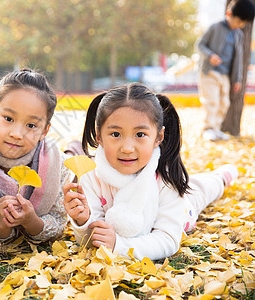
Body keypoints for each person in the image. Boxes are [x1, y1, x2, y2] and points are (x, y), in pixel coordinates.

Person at [63, 83, 238, 261]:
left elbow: (167, 240)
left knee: (201, 190)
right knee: (195, 185)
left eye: (140, 135)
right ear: (99, 136)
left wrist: (120, 246)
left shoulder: (167, 180)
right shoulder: (92, 176)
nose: (128, 148)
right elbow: (96, 238)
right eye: (116, 134)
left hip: (184, 209)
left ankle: (222, 176)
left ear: (158, 137)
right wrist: (82, 221)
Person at [0, 68, 73, 242]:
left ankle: (74, 149)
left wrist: (31, 220)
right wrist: (2, 223)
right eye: (8, 119)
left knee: (73, 157)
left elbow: (58, 223)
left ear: (44, 131)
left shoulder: (57, 166)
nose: (17, 134)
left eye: (31, 125)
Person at [196, 0, 255, 141]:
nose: (240, 25)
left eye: (243, 24)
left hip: (225, 75)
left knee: (224, 103)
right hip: (209, 72)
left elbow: (239, 59)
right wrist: (210, 55)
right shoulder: (215, 27)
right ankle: (208, 129)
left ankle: (216, 129)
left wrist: (237, 79)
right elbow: (200, 44)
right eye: (239, 22)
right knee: (212, 101)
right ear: (229, 14)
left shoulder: (238, 35)